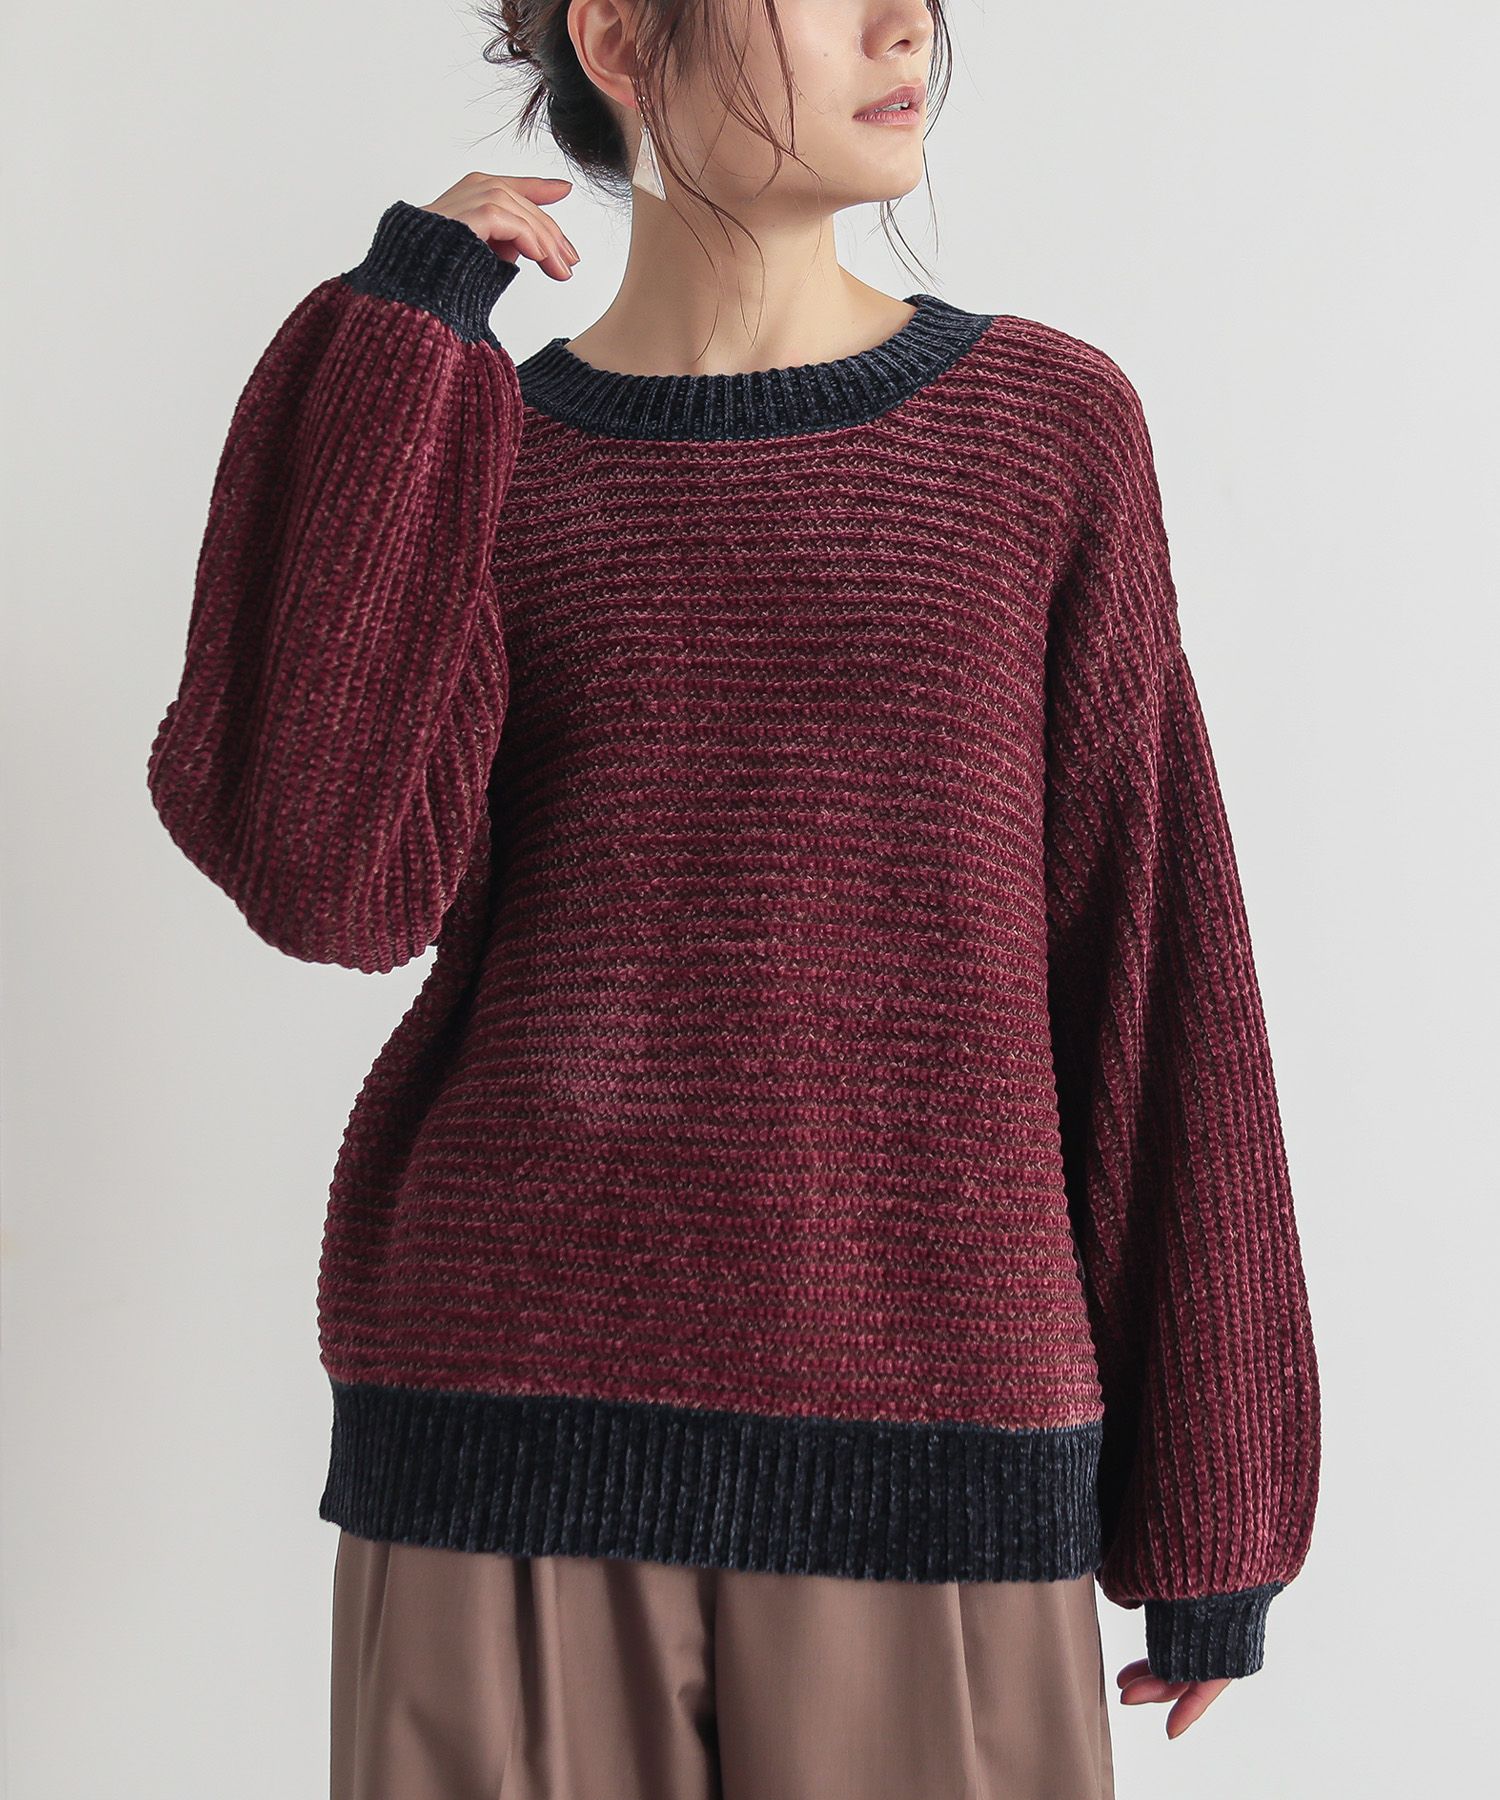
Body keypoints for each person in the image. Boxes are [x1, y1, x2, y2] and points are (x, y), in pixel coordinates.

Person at [144, 0, 1321, 1794]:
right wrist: (404, 334)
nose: (904, 26)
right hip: (499, 1446)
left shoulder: (1043, 431)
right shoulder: (484, 455)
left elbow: (1150, 945)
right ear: (621, 35)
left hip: (941, 1453)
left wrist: (1214, 1482)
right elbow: (327, 879)